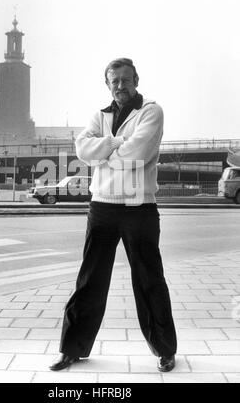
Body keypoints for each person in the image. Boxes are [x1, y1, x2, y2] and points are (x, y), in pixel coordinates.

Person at [50, 58, 177, 373]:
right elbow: (82, 150)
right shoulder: (99, 115)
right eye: (114, 81)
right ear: (108, 85)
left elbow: (138, 152)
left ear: (136, 79)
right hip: (102, 206)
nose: (121, 86)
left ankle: (165, 350)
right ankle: (72, 350)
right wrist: (116, 143)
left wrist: (104, 152)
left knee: (149, 280)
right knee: (90, 280)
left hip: (139, 208)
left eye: (125, 79)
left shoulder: (151, 110)